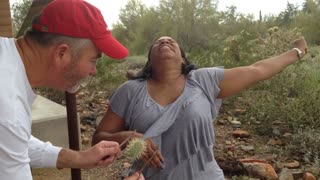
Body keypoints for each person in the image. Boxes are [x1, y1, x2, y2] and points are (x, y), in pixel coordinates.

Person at [92, 35, 308, 179]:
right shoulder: (130, 90)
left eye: (172, 42)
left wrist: (296, 52)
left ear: (183, 60)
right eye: (158, 43)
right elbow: (98, 139)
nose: (166, 41)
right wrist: (128, 136)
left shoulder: (204, 80)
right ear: (149, 62)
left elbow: (257, 70)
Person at [0, 0, 144, 179]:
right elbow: (10, 128)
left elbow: (13, 143)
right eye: (93, 60)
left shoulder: (6, 58)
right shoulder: (9, 106)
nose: (94, 71)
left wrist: (78, 158)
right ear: (62, 54)